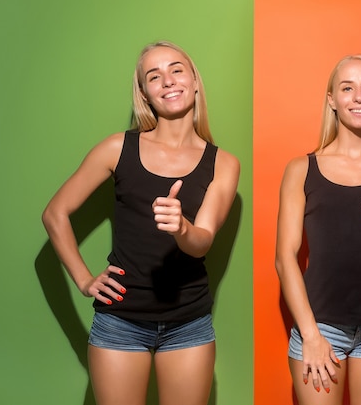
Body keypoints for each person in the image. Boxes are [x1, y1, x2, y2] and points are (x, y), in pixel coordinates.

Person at [42, 41, 240, 405]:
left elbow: (203, 240)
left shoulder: (224, 164)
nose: (167, 80)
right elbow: (55, 214)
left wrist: (182, 228)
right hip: (120, 323)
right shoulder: (117, 149)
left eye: (176, 69)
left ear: (195, 81)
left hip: (189, 324)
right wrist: (85, 280)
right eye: (154, 76)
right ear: (145, 94)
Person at [275, 54, 361, 405]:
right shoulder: (300, 169)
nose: (358, 96)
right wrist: (310, 334)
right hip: (319, 326)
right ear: (332, 100)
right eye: (347, 88)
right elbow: (284, 258)